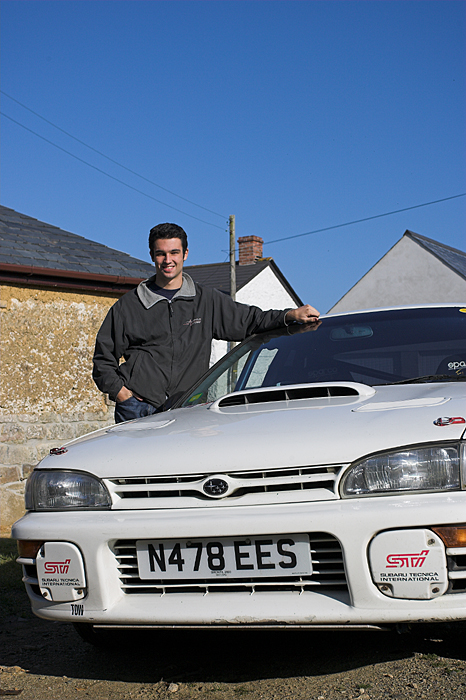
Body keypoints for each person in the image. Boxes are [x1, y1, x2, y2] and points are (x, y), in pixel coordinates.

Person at [93, 223, 320, 423]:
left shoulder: (206, 301)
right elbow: (103, 359)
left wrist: (289, 315)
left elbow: (252, 320)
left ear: (185, 254)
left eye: (174, 252)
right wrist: (123, 394)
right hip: (138, 410)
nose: (168, 260)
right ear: (152, 255)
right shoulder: (130, 306)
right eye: (161, 254)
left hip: (188, 409)